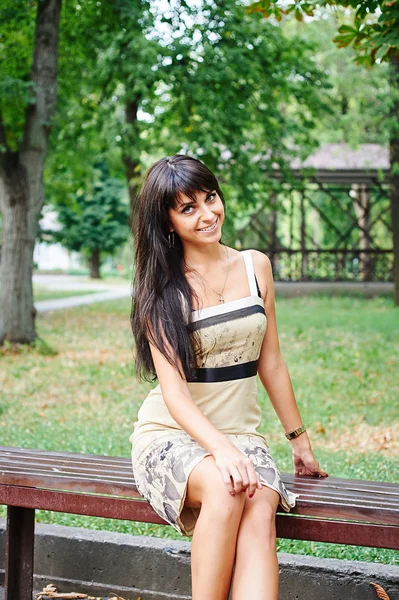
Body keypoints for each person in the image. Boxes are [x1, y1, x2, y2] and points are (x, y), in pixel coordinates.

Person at [129, 154, 328, 600]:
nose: (207, 214)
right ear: (167, 221)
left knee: (259, 502)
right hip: (172, 435)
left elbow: (271, 362)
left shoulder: (255, 266)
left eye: (210, 198)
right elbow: (174, 395)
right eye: (188, 208)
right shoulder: (161, 288)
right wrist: (220, 450)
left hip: (242, 435)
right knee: (226, 485)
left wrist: (299, 440)